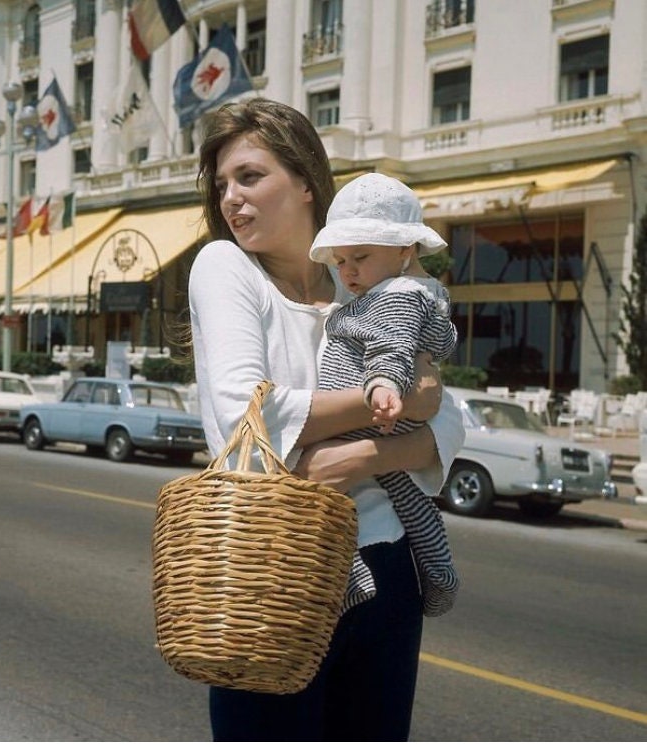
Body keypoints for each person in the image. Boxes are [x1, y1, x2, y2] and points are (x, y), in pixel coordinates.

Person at [188, 97, 465, 742]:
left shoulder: (364, 277)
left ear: (306, 183)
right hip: (271, 571)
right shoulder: (225, 267)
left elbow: (450, 417)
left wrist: (362, 455)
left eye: (250, 177)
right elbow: (244, 413)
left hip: (386, 564)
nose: (232, 198)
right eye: (223, 183)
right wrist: (394, 404)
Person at [310, 172, 459, 617]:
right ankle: (439, 570)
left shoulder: (395, 294)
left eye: (359, 256)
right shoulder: (412, 290)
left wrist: (383, 386)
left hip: (370, 409)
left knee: (319, 487)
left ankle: (350, 574)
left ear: (405, 250)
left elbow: (391, 346)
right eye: (339, 261)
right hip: (384, 413)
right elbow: (436, 342)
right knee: (409, 497)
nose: (347, 271)